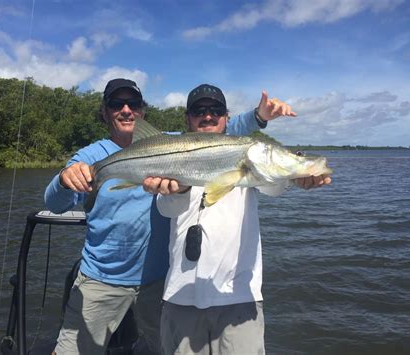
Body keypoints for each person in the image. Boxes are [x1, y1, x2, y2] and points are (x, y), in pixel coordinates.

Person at [44, 79, 292, 354]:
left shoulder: (174, 143)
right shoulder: (90, 155)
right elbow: (54, 203)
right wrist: (65, 180)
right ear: (104, 112)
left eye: (133, 104)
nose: (126, 110)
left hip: (159, 282)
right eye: (116, 104)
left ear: (143, 111)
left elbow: (220, 139)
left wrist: (258, 117)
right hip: (102, 278)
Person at [143, 84, 331, 355]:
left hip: (239, 297)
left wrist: (295, 175)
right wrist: (179, 188)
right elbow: (167, 210)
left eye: (216, 110)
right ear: (188, 118)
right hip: (180, 295)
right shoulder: (172, 155)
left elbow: (274, 186)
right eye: (199, 110)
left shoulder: (249, 156)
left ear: (227, 117)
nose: (208, 116)